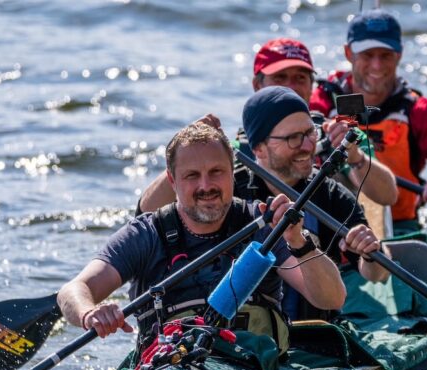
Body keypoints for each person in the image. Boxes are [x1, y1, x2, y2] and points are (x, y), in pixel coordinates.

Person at [58, 123, 345, 351]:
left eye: (216, 172)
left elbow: (332, 298)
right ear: (173, 181)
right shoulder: (146, 234)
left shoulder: (263, 225)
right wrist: (90, 313)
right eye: (192, 175)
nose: (206, 185)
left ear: (233, 173)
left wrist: (299, 241)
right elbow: (73, 290)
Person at [137, 37, 398, 215]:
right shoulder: (236, 146)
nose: (290, 87)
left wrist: (354, 156)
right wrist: (186, 152)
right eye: (280, 78)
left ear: (312, 86)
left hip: (330, 255)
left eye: (299, 78)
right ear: (257, 85)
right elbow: (147, 212)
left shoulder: (336, 135)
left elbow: (387, 196)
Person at [310, 9, 427, 233]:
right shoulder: (324, 100)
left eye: (385, 55)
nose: (376, 66)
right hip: (331, 224)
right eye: (367, 55)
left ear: (399, 55)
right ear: (348, 53)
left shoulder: (415, 109)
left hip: (399, 226)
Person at [236, 86, 390, 321]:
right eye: (293, 138)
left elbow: (377, 275)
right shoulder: (231, 190)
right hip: (243, 334)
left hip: (314, 335)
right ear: (259, 148)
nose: (308, 147)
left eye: (310, 133)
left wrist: (372, 252)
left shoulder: (329, 194)